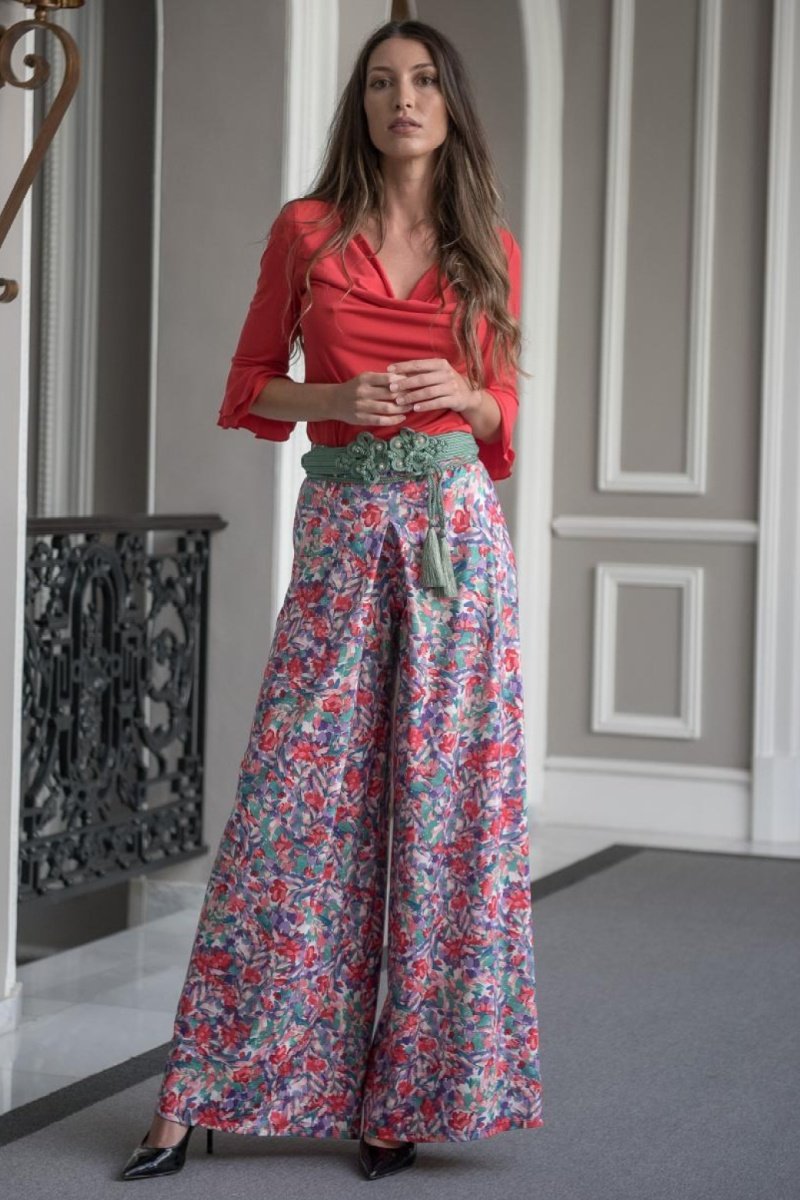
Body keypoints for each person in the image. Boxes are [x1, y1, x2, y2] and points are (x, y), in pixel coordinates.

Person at [120, 17, 542, 1184]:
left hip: (456, 539)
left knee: (449, 816)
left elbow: (502, 415)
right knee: (292, 807)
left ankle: (406, 1098)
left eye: (422, 82)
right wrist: (334, 401)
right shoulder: (305, 231)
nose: (402, 99)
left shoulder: (486, 246)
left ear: (448, 107)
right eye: (380, 83)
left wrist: (467, 392)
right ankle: (196, 1094)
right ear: (360, 107)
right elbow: (249, 388)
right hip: (345, 529)